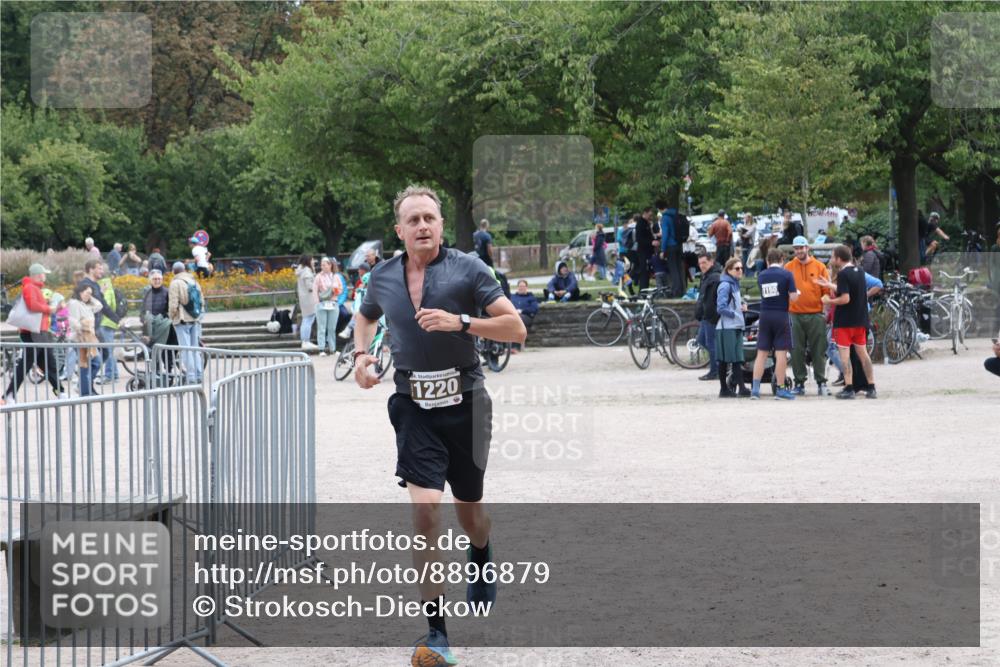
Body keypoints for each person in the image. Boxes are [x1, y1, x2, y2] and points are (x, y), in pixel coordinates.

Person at [353, 184, 526, 666]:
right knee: (425, 514)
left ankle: (481, 550)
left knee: (470, 514)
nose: (423, 226)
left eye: (430, 218)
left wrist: (461, 322)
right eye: (413, 220)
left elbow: (516, 328)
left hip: (466, 405)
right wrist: (362, 356)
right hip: (413, 407)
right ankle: (437, 633)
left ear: (442, 225)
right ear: (399, 230)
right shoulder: (383, 276)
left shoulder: (469, 269)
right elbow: (365, 318)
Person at [819, 245, 876, 399]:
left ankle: (849, 387)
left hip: (845, 322)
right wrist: (829, 285)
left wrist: (829, 301)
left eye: (833, 257)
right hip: (860, 320)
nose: (832, 260)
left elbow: (845, 298)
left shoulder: (843, 274)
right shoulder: (860, 271)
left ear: (839, 259)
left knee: (845, 356)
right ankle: (871, 387)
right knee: (863, 354)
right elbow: (849, 289)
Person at [2, 264, 65, 403]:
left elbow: (34, 306)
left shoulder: (33, 288)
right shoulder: (30, 287)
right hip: (33, 332)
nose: (45, 276)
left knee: (47, 363)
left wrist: (51, 307)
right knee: (30, 363)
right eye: (44, 273)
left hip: (37, 331)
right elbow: (33, 306)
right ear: (38, 275)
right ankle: (9, 395)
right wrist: (49, 308)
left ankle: (60, 392)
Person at [784, 236, 830, 395]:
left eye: (801, 247)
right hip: (794, 314)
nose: (799, 251)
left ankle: (821, 383)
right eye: (796, 248)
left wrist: (825, 309)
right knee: (796, 350)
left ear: (807, 248)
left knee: (819, 350)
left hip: (816, 314)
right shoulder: (788, 267)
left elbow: (826, 291)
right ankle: (799, 383)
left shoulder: (820, 267)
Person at [750, 249, 799, 400]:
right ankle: (780, 389)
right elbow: (794, 297)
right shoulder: (787, 274)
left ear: (767, 261)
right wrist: (794, 292)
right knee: (781, 353)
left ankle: (755, 390)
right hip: (781, 315)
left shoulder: (761, 275)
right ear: (782, 259)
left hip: (765, 315)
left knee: (761, 353)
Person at [715, 256, 750, 397]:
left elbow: (733, 303)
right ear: (729, 270)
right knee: (726, 359)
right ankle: (725, 389)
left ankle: (740, 388)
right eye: (737, 268)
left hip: (734, 326)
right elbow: (720, 308)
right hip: (727, 327)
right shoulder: (725, 285)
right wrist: (735, 314)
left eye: (741, 268)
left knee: (736, 359)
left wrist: (742, 305)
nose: (740, 270)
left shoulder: (734, 284)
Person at [168, 261, 204, 384]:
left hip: (181, 319)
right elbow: (202, 301)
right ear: (184, 269)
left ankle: (191, 376)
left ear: (174, 271)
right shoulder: (194, 282)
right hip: (195, 319)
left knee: (185, 349)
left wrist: (171, 317)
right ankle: (199, 374)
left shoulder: (175, 283)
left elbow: (173, 304)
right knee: (195, 348)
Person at [66, 282, 103, 396]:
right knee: (86, 364)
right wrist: (81, 328)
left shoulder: (85, 304)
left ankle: (84, 387)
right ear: (80, 292)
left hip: (89, 338)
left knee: (93, 363)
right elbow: (73, 320)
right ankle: (85, 390)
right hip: (81, 338)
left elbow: (99, 306)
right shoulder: (74, 303)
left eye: (90, 294)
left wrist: (90, 297)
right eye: (87, 293)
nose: (89, 296)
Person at [140, 269, 178, 380]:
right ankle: (155, 372)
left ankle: (168, 372)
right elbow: (142, 310)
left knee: (167, 349)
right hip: (151, 326)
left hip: (165, 325)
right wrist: (143, 319)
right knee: (153, 350)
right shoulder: (147, 293)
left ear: (162, 280)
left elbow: (172, 308)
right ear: (150, 281)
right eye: (155, 279)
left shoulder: (167, 292)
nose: (157, 281)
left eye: (159, 279)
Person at [695, 252, 722, 381]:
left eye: (704, 262)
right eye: (700, 263)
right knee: (702, 341)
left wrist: (711, 315)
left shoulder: (714, 277)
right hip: (705, 315)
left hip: (710, 316)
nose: (702, 265)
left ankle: (715, 371)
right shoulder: (707, 276)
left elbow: (711, 300)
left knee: (711, 344)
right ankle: (720, 364)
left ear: (711, 262)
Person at [312, 257, 343, 356]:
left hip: (333, 303)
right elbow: (314, 290)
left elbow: (341, 289)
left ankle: (332, 349)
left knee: (332, 328)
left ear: (330, 265)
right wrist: (317, 303)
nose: (322, 266)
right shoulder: (318, 276)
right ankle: (321, 349)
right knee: (321, 327)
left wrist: (336, 290)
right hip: (322, 303)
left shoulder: (336, 276)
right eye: (321, 265)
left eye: (324, 265)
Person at [95, 269, 122, 384]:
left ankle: (109, 375)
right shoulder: (108, 285)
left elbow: (103, 305)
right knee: (109, 349)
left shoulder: (104, 285)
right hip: (108, 322)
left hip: (105, 322)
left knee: (107, 350)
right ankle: (114, 374)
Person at [657, 201, 685, 297]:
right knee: (679, 268)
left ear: (659, 209)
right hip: (678, 245)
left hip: (670, 246)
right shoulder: (675, 215)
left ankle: (676, 291)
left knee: (673, 269)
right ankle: (682, 289)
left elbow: (665, 235)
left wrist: (662, 250)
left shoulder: (665, 218)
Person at [295, 255, 318, 351]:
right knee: (308, 320)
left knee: (306, 319)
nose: (313, 261)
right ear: (308, 261)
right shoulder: (307, 271)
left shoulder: (301, 270)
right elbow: (310, 286)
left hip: (304, 298)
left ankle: (304, 341)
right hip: (309, 299)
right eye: (312, 260)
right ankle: (306, 341)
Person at [510, 279, 539, 353]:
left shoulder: (531, 297)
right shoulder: (512, 297)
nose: (521, 288)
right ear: (517, 287)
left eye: (523, 286)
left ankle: (515, 347)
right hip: (513, 317)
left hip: (526, 317)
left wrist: (521, 311)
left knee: (518, 320)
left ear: (526, 287)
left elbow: (534, 309)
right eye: (520, 286)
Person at [635, 208, 655, 289]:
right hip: (643, 251)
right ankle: (643, 290)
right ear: (645, 213)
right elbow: (639, 239)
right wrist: (651, 242)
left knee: (647, 272)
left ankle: (645, 289)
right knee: (644, 271)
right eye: (649, 215)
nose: (650, 217)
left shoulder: (647, 223)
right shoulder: (640, 223)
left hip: (648, 251)